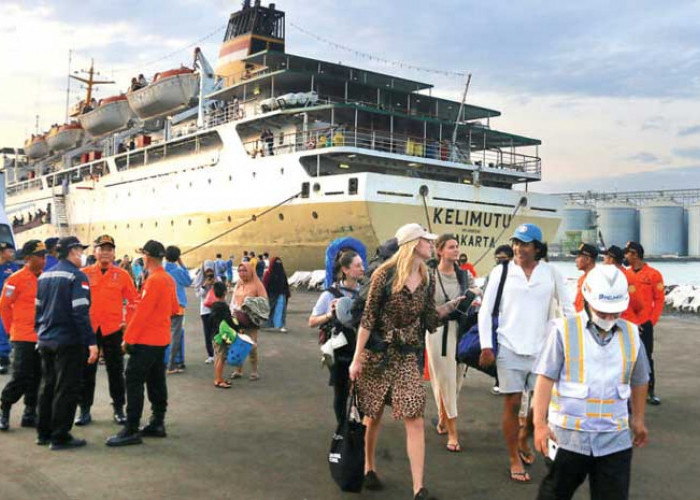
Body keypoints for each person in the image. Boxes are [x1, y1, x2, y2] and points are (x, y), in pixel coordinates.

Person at [349, 223, 463, 500]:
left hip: (407, 356)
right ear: (414, 244)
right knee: (372, 415)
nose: (430, 245)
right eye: (427, 240)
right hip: (378, 356)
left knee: (414, 417)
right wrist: (356, 359)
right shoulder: (383, 275)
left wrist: (451, 307)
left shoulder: (426, 277)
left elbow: (428, 317)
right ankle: (368, 467)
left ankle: (418, 489)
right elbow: (368, 319)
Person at [532, 265, 650, 500]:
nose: (608, 318)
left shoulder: (632, 334)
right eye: (602, 311)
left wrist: (638, 419)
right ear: (587, 298)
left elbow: (639, 380)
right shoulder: (563, 330)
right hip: (568, 438)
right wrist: (539, 424)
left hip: (613, 438)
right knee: (554, 494)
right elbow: (545, 378)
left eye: (614, 313)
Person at [478, 223, 573, 483]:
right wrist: (487, 345)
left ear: (537, 248)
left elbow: (567, 307)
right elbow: (485, 310)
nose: (519, 248)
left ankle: (524, 436)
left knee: (538, 407)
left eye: (525, 244)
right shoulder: (502, 271)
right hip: (509, 346)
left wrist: (576, 342)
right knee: (511, 403)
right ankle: (513, 457)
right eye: (516, 243)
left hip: (542, 349)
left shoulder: (551, 273)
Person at [106, 240, 179, 447]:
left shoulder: (154, 280)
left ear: (148, 257)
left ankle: (131, 428)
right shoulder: (167, 279)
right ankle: (157, 421)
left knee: (133, 380)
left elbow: (143, 313)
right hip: (161, 338)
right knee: (156, 380)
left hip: (146, 340)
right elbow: (174, 308)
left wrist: (128, 338)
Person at [35, 237, 98, 450]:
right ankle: (60, 435)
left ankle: (43, 432)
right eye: (80, 251)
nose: (82, 255)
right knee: (66, 388)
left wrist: (40, 333)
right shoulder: (76, 276)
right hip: (68, 341)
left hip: (46, 339)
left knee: (48, 386)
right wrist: (91, 342)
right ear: (72, 251)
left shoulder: (44, 276)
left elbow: (38, 309)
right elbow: (80, 312)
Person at [76, 235, 139, 427]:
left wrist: (127, 324)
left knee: (116, 371)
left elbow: (134, 301)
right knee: (87, 371)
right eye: (101, 248)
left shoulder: (122, 275)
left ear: (114, 253)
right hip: (89, 331)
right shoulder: (83, 274)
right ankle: (84, 410)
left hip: (113, 330)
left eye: (109, 249)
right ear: (94, 252)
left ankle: (119, 409)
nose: (105, 252)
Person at [426, 234, 475, 453]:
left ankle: (444, 415)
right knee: (445, 379)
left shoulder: (463, 275)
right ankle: (453, 431)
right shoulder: (430, 276)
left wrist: (473, 294)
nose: (456, 250)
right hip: (438, 330)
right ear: (439, 251)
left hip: (461, 330)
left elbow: (477, 288)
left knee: (456, 379)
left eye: (457, 247)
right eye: (451, 247)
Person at [308, 250, 364, 426]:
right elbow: (312, 321)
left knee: (362, 391)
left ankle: (358, 427)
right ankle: (342, 428)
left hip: (360, 347)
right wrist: (329, 314)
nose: (362, 269)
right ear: (346, 269)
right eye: (358, 266)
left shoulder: (365, 292)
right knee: (341, 391)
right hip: (339, 349)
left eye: (362, 265)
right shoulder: (330, 293)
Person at [0, 241, 46, 431]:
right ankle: (4, 409)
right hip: (22, 336)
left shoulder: (46, 279)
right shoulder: (15, 279)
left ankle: (30, 412)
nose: (44, 259)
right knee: (20, 375)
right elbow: (3, 306)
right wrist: (12, 329)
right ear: (28, 259)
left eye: (44, 256)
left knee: (37, 375)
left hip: (42, 336)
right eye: (40, 256)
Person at [624, 241, 664, 405]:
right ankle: (627, 392)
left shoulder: (653, 274)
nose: (625, 256)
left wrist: (651, 321)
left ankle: (650, 391)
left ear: (635, 254)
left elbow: (659, 299)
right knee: (627, 357)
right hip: (628, 323)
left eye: (627, 253)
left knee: (646, 357)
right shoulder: (625, 274)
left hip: (645, 323)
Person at [230, 262, 267, 381]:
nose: (242, 273)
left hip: (251, 319)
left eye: (244, 270)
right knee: (237, 344)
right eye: (240, 271)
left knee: (252, 345)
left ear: (250, 271)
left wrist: (251, 305)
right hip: (237, 318)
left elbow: (264, 302)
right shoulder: (238, 284)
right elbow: (233, 301)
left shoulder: (257, 284)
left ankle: (254, 370)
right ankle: (238, 370)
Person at [164, 246, 192, 374]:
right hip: (178, 306)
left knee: (165, 333)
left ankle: (168, 361)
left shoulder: (162, 270)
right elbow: (188, 281)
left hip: (164, 306)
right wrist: (182, 264)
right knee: (176, 335)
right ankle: (171, 364)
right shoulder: (179, 271)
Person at [602, 246, 643, 324]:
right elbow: (638, 304)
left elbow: (636, 302)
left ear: (611, 260)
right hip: (626, 321)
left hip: (619, 321)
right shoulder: (630, 276)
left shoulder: (605, 278)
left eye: (605, 257)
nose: (603, 260)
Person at [210, 282, 234, 388]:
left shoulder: (213, 306)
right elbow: (229, 321)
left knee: (217, 357)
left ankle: (218, 378)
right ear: (225, 292)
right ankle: (218, 379)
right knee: (221, 357)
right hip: (222, 336)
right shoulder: (224, 307)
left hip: (215, 335)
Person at [0, 243, 19, 375]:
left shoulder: (13, 267)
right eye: (9, 251)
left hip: (10, 305)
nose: (12, 253)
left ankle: (6, 356)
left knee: (9, 331)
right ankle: (3, 358)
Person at [194, 261, 218, 364]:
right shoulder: (200, 279)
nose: (209, 273)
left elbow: (222, 293)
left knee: (218, 333)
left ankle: (219, 353)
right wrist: (204, 286)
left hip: (217, 310)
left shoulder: (218, 279)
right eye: (207, 271)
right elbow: (198, 295)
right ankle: (210, 355)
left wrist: (216, 284)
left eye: (211, 270)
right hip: (205, 310)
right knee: (207, 334)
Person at [264, 257, 290, 332]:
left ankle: (280, 325)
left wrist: (287, 293)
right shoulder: (268, 273)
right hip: (271, 295)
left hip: (281, 295)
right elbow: (265, 285)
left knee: (281, 310)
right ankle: (268, 324)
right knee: (270, 309)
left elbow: (285, 284)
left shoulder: (282, 274)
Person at [573, 243, 598, 312]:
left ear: (587, 259)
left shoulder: (597, 279)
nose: (576, 260)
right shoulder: (582, 279)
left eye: (578, 257)